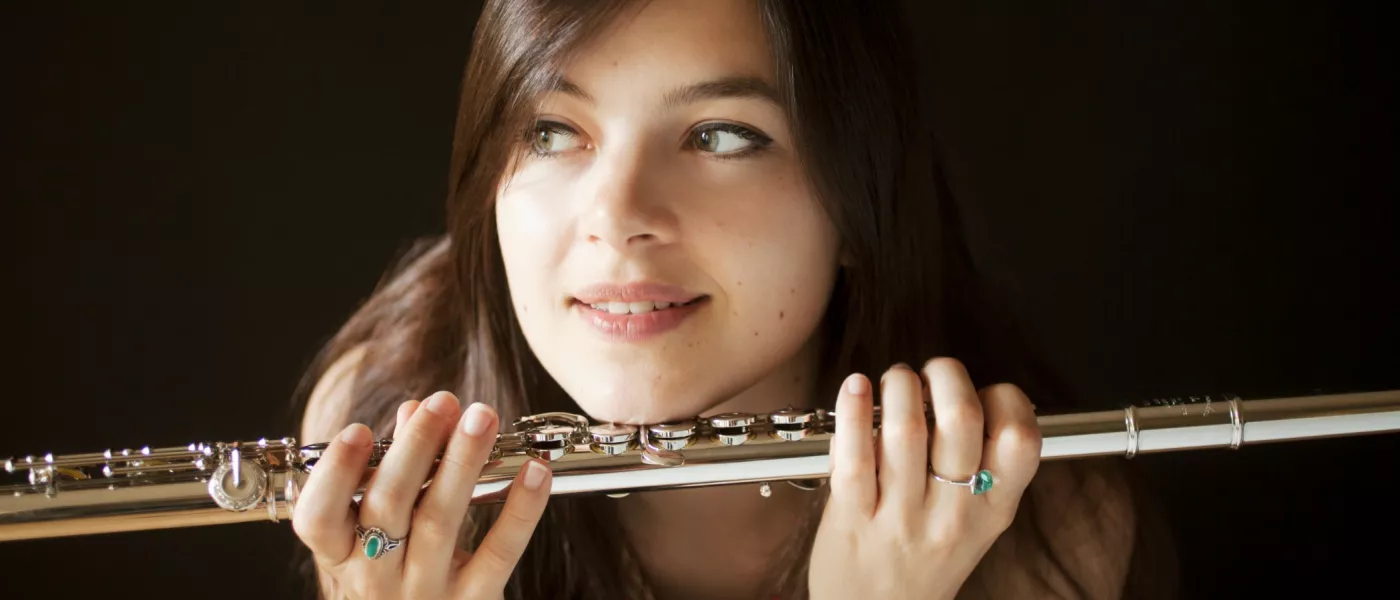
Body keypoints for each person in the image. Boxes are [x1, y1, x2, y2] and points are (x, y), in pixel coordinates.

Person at [290, 0, 1177, 598]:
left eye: (719, 135)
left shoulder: (1043, 528)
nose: (617, 217)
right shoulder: (378, 426)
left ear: (859, 202)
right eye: (551, 131)